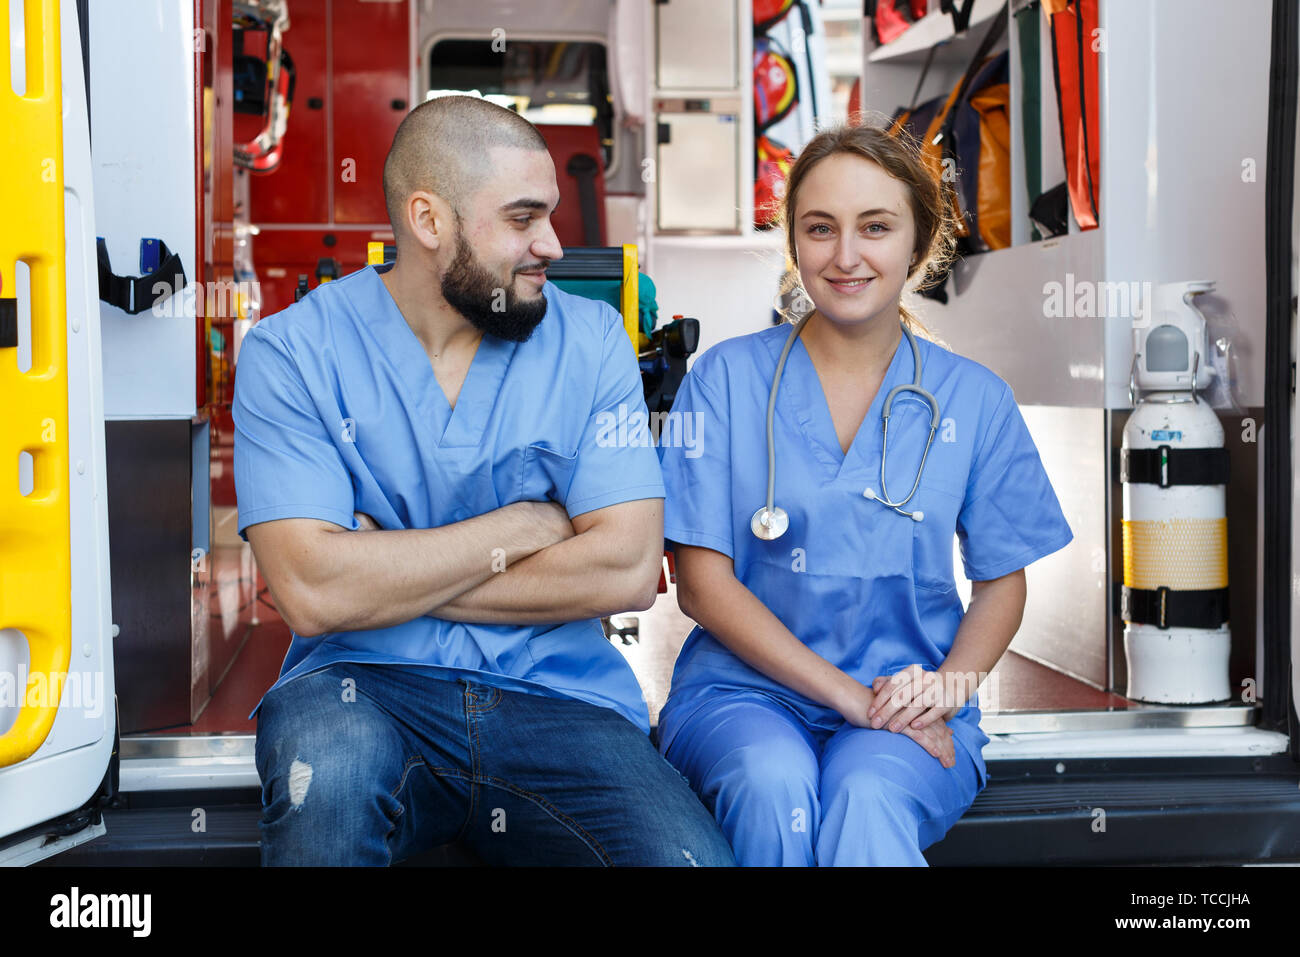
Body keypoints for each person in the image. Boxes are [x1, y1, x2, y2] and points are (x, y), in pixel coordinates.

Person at [233, 95, 734, 866]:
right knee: (322, 795)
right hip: (361, 687)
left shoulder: (591, 339)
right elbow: (313, 593)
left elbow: (628, 568)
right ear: (430, 222)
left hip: (560, 699)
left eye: (553, 216)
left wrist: (382, 564)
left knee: (685, 858)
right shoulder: (292, 352)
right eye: (524, 218)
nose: (554, 247)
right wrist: (531, 525)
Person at [654, 122, 1074, 866]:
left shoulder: (974, 400)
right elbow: (701, 586)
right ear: (793, 241)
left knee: (869, 795)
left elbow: (1001, 583)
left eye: (875, 227)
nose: (846, 256)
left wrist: (947, 688)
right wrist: (853, 699)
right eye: (821, 229)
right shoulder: (723, 381)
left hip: (909, 698)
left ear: (918, 240)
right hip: (741, 697)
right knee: (769, 781)